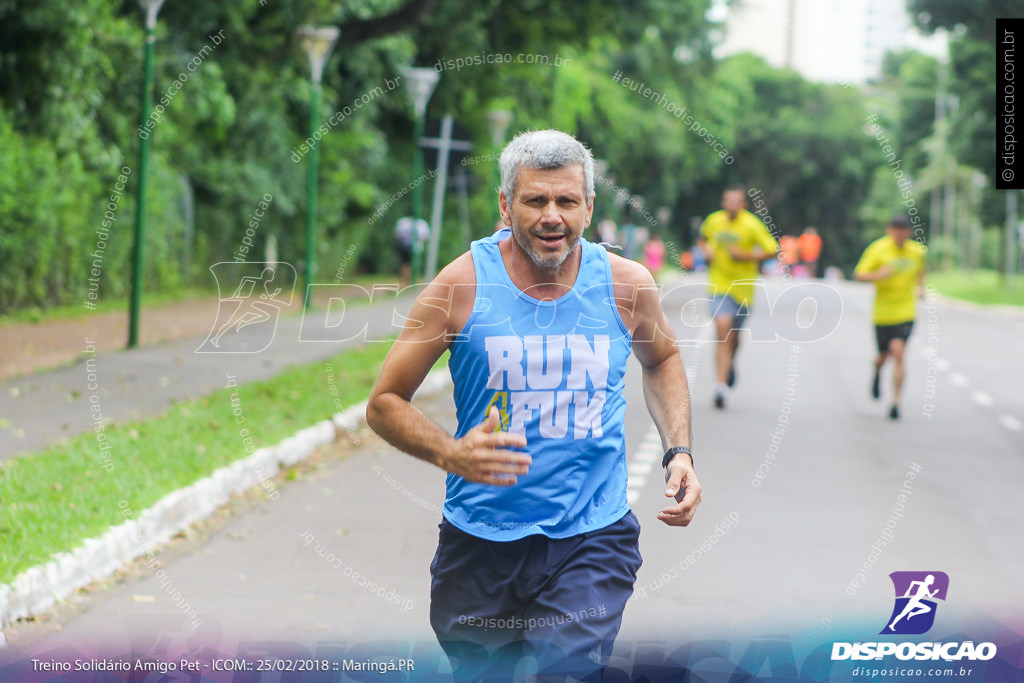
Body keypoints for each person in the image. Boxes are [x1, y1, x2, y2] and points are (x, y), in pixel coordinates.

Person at [366, 130, 701, 681]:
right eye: (535, 200)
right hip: (479, 541)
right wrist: (451, 453)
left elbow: (662, 359)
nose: (552, 216)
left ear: (588, 208)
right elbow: (384, 402)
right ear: (505, 205)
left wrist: (679, 452)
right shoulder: (461, 284)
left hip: (591, 538)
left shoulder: (626, 284)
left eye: (567, 201)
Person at [697, 186, 778, 409]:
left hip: (743, 289)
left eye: (737, 202)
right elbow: (702, 239)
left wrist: (747, 255)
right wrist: (707, 250)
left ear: (743, 205)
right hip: (719, 284)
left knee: (735, 333)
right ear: (724, 202)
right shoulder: (714, 221)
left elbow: (773, 250)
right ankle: (721, 387)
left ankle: (730, 363)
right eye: (728, 201)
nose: (732, 205)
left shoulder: (752, 225)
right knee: (723, 328)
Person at [853, 215, 926, 420]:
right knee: (883, 356)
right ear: (889, 230)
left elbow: (921, 272)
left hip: (905, 311)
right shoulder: (878, 249)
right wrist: (877, 275)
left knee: (899, 353)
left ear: (909, 232)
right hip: (883, 313)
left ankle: (895, 402)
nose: (899, 233)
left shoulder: (916, 252)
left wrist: (920, 288)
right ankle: (877, 371)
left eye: (903, 229)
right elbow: (859, 275)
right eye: (896, 229)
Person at [394, 215, 430, 288]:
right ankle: (408, 282)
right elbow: (426, 237)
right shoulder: (421, 223)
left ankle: (408, 281)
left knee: (406, 265)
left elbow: (398, 235)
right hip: (411, 247)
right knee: (408, 265)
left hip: (409, 247)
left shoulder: (403, 222)